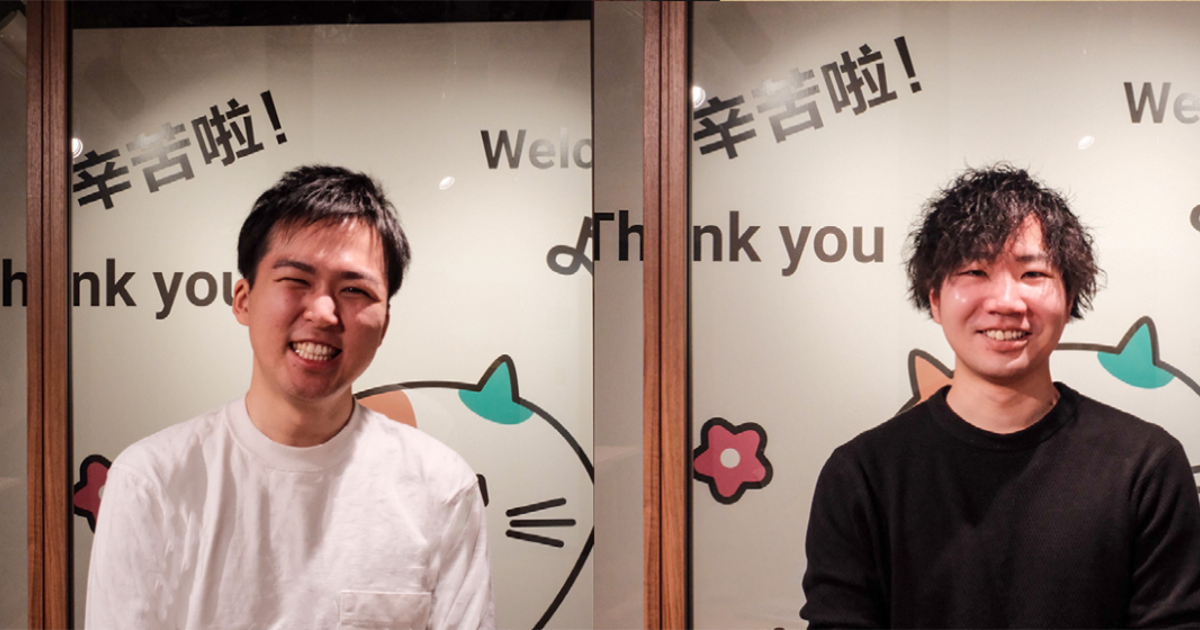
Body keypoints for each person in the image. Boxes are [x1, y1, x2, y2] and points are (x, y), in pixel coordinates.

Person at [86, 165, 495, 629]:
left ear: (384, 324)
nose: (323, 312)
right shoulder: (151, 483)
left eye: (354, 290)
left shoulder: (441, 489)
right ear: (243, 299)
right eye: (297, 280)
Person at [800, 165, 1200, 627]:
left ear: (1070, 298)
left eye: (1033, 273)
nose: (1006, 301)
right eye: (975, 270)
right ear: (934, 298)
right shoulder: (863, 476)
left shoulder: (1145, 467)